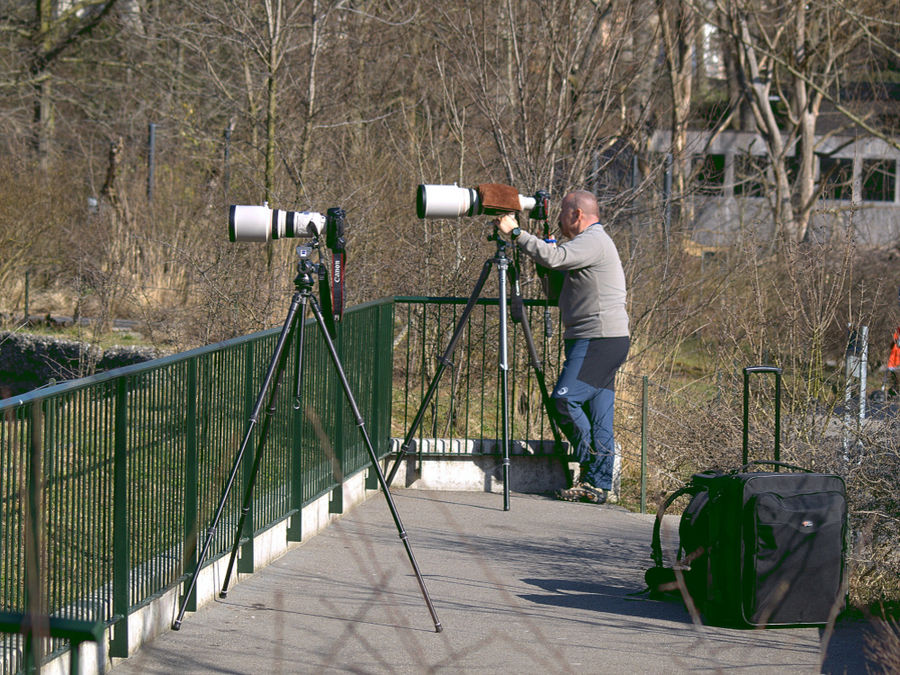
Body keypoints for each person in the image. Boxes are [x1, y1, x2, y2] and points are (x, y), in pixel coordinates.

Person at [495, 190, 629, 504]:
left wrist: (516, 233)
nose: (558, 219)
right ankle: (597, 486)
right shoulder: (586, 245)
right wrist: (545, 262)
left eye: (562, 213)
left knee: (564, 401)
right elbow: (556, 289)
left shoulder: (594, 241)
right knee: (599, 418)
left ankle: (591, 465)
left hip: (598, 340)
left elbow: (555, 258)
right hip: (600, 339)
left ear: (576, 214)